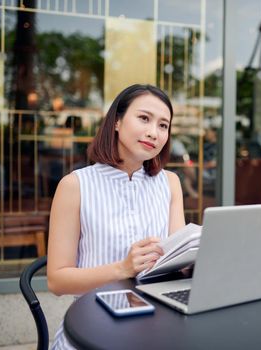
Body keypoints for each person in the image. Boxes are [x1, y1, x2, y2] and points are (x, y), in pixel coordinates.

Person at [47, 84, 185, 349]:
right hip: (91, 328)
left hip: (156, 328)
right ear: (117, 122)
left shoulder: (170, 183)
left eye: (163, 125)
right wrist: (122, 269)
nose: (153, 133)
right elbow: (57, 281)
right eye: (144, 118)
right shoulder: (75, 185)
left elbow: (176, 264)